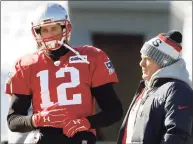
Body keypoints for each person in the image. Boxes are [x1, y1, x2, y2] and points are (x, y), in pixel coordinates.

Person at [5, 3, 123, 144]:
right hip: (44, 138)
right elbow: (13, 121)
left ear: (65, 28)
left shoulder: (90, 58)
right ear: (37, 33)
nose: (49, 35)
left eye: (54, 28)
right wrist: (37, 119)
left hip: (80, 138)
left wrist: (86, 122)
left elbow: (114, 111)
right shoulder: (27, 65)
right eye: (44, 30)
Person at [117, 30, 193, 144]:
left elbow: (177, 135)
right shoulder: (146, 89)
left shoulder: (177, 89)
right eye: (141, 58)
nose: (141, 63)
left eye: (147, 59)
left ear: (163, 62)